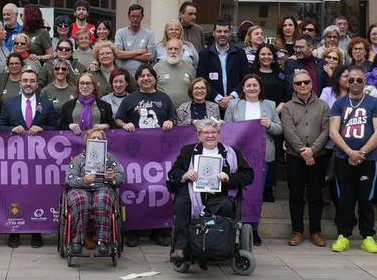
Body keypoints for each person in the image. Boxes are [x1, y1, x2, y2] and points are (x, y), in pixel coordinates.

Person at [167, 118, 254, 263]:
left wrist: (228, 177)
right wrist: (185, 175)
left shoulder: (231, 153)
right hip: (192, 193)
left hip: (219, 195)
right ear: (199, 135)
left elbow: (248, 175)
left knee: (226, 206)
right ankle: (181, 248)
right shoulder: (188, 151)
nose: (210, 135)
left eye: (214, 132)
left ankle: (221, 246)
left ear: (219, 134)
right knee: (182, 204)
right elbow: (173, 173)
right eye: (206, 132)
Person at [328, 65, 377, 254]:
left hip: (368, 159)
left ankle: (367, 236)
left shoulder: (374, 103)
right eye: (350, 79)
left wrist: (361, 152)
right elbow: (333, 131)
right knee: (344, 197)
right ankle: (343, 235)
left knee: (366, 198)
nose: (354, 83)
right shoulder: (339, 103)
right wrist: (349, 152)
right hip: (343, 158)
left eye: (359, 80)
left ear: (365, 81)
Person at [115, 65, 174, 248]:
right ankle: (132, 231)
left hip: (160, 156)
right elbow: (118, 119)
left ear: (155, 78)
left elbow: (173, 119)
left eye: (149, 75)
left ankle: (160, 231)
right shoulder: (130, 99)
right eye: (142, 76)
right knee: (134, 191)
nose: (146, 78)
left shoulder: (164, 98)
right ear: (137, 80)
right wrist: (124, 124)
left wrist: (170, 122)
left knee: (160, 189)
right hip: (135, 156)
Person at [0, 69, 56, 248]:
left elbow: (56, 126)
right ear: (20, 83)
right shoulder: (9, 103)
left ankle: (35, 232)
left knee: (36, 195)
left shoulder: (47, 104)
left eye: (32, 81)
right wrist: (11, 130)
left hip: (39, 160)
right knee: (15, 194)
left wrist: (43, 129)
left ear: (37, 84)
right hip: (15, 159)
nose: (28, 84)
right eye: (25, 81)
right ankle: (14, 232)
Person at [278, 69, 330, 247]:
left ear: (311, 83)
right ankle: (297, 231)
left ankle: (315, 231)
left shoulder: (323, 105)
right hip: (294, 157)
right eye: (299, 83)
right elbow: (289, 131)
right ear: (293, 86)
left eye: (306, 82)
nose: (303, 86)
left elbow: (326, 130)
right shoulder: (288, 107)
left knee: (316, 195)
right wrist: (303, 151)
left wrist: (312, 151)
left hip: (319, 156)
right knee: (296, 195)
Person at [63, 125, 125, 256]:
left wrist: (112, 177)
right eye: (94, 137)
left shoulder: (110, 159)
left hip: (103, 187)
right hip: (80, 188)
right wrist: (83, 180)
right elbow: (69, 179)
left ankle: (103, 241)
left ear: (104, 142)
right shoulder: (78, 159)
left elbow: (121, 177)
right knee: (81, 200)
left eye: (99, 138)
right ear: (87, 141)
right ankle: (77, 241)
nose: (96, 139)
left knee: (103, 199)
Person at [224, 74, 281, 204]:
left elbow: (279, 129)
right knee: (238, 189)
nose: (252, 88)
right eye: (248, 85)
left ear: (260, 88)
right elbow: (227, 129)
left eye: (255, 85)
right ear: (243, 89)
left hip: (262, 153)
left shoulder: (270, 105)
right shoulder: (233, 104)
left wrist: (270, 125)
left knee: (257, 190)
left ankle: (252, 221)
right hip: (239, 153)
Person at [198, 19, 247, 112]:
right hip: (212, 105)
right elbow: (201, 80)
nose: (222, 34)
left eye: (226, 31)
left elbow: (245, 78)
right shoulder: (204, 55)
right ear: (213, 33)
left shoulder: (240, 53)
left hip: (236, 103)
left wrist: (232, 96)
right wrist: (218, 98)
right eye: (219, 31)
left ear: (230, 33)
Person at [114, 4, 155, 74]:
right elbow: (118, 54)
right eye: (132, 16)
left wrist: (126, 55)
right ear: (128, 17)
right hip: (123, 75)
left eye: (138, 16)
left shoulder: (149, 34)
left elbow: (150, 56)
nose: (135, 19)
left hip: (142, 75)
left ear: (142, 17)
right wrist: (139, 51)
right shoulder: (120, 33)